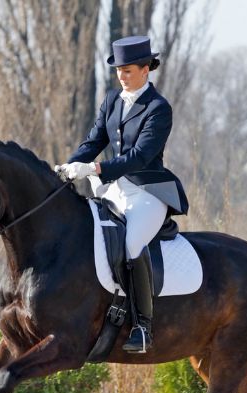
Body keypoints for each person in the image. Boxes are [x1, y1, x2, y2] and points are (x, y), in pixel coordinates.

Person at [56, 35, 189, 354]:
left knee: (131, 243)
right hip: (114, 190)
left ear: (146, 70)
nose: (121, 76)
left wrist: (96, 170)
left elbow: (140, 156)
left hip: (148, 192)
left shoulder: (158, 108)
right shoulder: (112, 101)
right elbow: (94, 141)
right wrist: (71, 165)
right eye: (118, 70)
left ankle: (143, 327)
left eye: (127, 70)